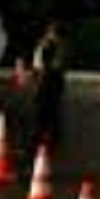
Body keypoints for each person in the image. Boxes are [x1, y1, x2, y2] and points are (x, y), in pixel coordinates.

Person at [31, 19, 68, 152]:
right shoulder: (48, 44)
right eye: (49, 31)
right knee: (48, 109)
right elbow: (38, 63)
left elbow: (53, 65)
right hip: (50, 79)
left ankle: (46, 134)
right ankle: (48, 134)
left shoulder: (55, 46)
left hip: (50, 80)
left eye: (51, 31)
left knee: (48, 108)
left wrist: (40, 79)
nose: (49, 34)